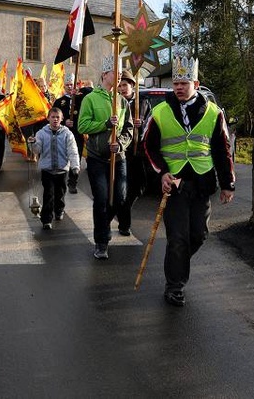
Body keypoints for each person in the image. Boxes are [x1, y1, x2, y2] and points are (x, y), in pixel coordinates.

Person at [142, 57, 235, 306]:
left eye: (184, 83)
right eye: (176, 83)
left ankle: (177, 262)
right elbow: (148, 147)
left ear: (196, 83)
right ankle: (174, 285)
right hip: (173, 185)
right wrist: (161, 172)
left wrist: (227, 184)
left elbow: (222, 149)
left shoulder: (214, 113)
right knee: (178, 238)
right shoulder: (159, 112)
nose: (179, 87)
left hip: (202, 183)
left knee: (199, 235)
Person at [77, 56, 133, 260]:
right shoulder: (90, 99)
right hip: (97, 158)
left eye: (120, 73)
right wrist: (105, 125)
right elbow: (82, 126)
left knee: (120, 199)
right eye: (115, 72)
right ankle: (102, 241)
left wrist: (122, 144)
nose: (119, 76)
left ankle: (103, 222)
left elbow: (128, 129)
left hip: (118, 159)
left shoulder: (122, 101)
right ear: (104, 74)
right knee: (101, 200)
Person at [28, 107, 80, 230]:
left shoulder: (68, 134)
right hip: (47, 169)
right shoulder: (41, 133)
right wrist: (33, 143)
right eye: (53, 117)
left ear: (62, 119)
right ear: (48, 118)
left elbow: (73, 151)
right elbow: (37, 150)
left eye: (58, 117)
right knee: (48, 194)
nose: (55, 119)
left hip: (62, 169)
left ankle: (59, 209)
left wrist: (75, 166)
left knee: (60, 193)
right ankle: (46, 219)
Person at [115, 69, 152, 236]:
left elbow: (151, 124)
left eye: (125, 85)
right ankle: (124, 224)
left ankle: (122, 209)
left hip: (140, 151)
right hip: (124, 151)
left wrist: (141, 124)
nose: (122, 88)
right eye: (120, 85)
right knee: (124, 187)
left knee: (140, 186)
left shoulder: (143, 102)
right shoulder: (116, 103)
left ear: (132, 86)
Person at [52, 74, 83, 194]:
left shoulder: (81, 99)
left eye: (72, 84)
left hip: (77, 134)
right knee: (63, 157)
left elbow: (90, 91)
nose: (70, 87)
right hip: (63, 134)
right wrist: (64, 121)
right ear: (64, 86)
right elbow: (53, 117)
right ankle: (61, 180)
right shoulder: (60, 101)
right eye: (67, 85)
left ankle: (73, 182)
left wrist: (79, 92)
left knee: (76, 158)